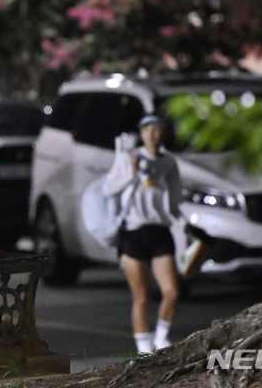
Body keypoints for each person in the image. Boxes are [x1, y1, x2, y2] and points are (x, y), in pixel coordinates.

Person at [104, 114, 182, 355]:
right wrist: (131, 173)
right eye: (147, 129)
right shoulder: (128, 158)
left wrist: (183, 224)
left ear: (162, 133)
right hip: (133, 232)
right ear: (141, 133)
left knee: (171, 291)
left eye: (156, 129)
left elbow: (175, 199)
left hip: (159, 230)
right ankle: (143, 346)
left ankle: (161, 336)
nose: (152, 134)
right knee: (141, 295)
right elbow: (108, 189)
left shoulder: (168, 162)